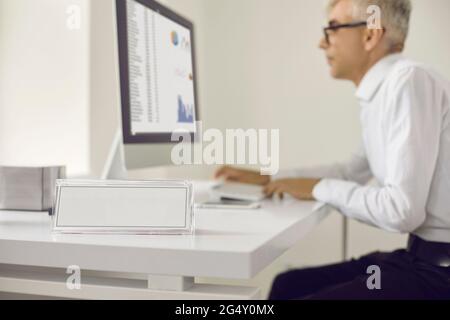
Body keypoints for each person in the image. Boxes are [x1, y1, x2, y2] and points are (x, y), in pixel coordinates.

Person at [215, 0, 450, 300]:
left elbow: (401, 211)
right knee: (288, 285)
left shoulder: (408, 82)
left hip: (438, 275)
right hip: (419, 259)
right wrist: (271, 179)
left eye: (333, 28)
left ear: (370, 35)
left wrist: (318, 188)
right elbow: (350, 171)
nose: (321, 42)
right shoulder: (384, 92)